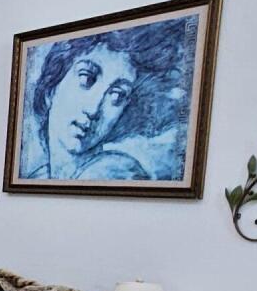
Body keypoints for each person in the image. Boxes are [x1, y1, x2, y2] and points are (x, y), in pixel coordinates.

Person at [20, 19, 195, 183]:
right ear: (51, 89)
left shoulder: (117, 172)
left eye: (117, 95)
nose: (93, 109)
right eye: (86, 79)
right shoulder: (40, 177)